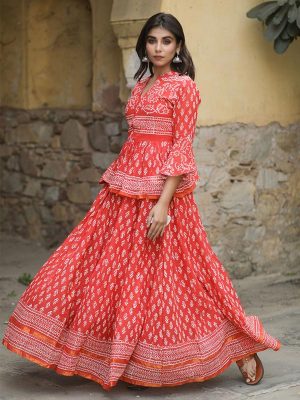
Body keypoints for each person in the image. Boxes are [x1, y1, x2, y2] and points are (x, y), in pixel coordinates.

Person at [2, 12, 281, 392]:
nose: (159, 48)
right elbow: (136, 141)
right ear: (144, 45)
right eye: (152, 40)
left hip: (162, 195)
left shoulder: (183, 87)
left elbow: (181, 147)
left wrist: (163, 204)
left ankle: (239, 347)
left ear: (178, 46)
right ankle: (121, 356)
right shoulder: (142, 86)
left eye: (167, 41)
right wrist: (116, 187)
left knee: (187, 280)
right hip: (123, 192)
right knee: (110, 273)